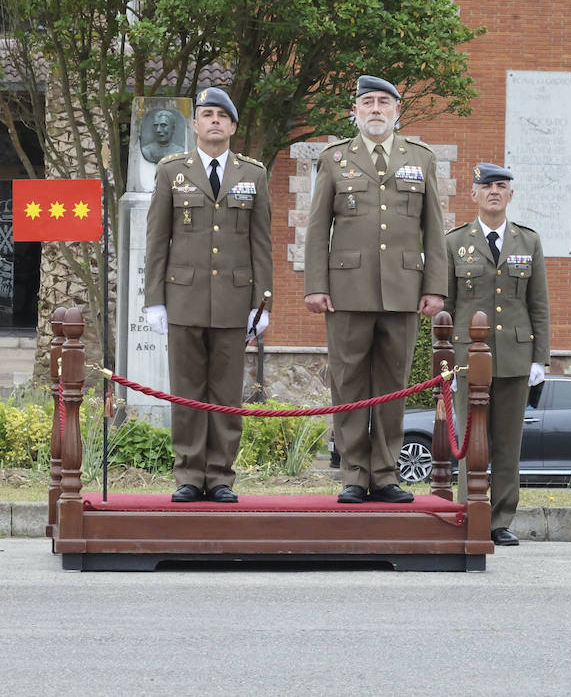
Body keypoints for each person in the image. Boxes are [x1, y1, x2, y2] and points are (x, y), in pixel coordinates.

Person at [305, 75, 447, 504]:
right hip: (347, 289)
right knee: (348, 383)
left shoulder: (420, 159)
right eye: (367, 102)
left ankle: (385, 474)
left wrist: (434, 287)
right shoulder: (334, 158)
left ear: (397, 111)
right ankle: (353, 472)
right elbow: (317, 228)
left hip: (404, 290)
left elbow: (434, 228)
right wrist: (316, 285)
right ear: (356, 111)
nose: (376, 110)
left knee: (393, 385)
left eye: (384, 102)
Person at [144, 87, 273, 504]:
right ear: (195, 124)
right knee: (186, 390)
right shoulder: (171, 171)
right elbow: (156, 239)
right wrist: (154, 299)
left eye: (222, 115)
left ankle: (219, 476)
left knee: (225, 393)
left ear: (233, 126)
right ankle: (188, 473)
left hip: (235, 301)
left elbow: (261, 242)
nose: (214, 120)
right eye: (207, 114)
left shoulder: (253, 174)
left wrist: (262, 302)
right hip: (184, 297)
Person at [444, 163, 549, 546]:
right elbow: (447, 307)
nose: (493, 192)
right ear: (473, 194)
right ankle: (469, 513)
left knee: (507, 443)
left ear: (510, 195)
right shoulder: (454, 242)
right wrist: (445, 362)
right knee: (470, 439)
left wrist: (541, 358)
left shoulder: (528, 241)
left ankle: (501, 518)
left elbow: (539, 304)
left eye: (501, 186)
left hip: (515, 357)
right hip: (467, 358)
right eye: (486, 186)